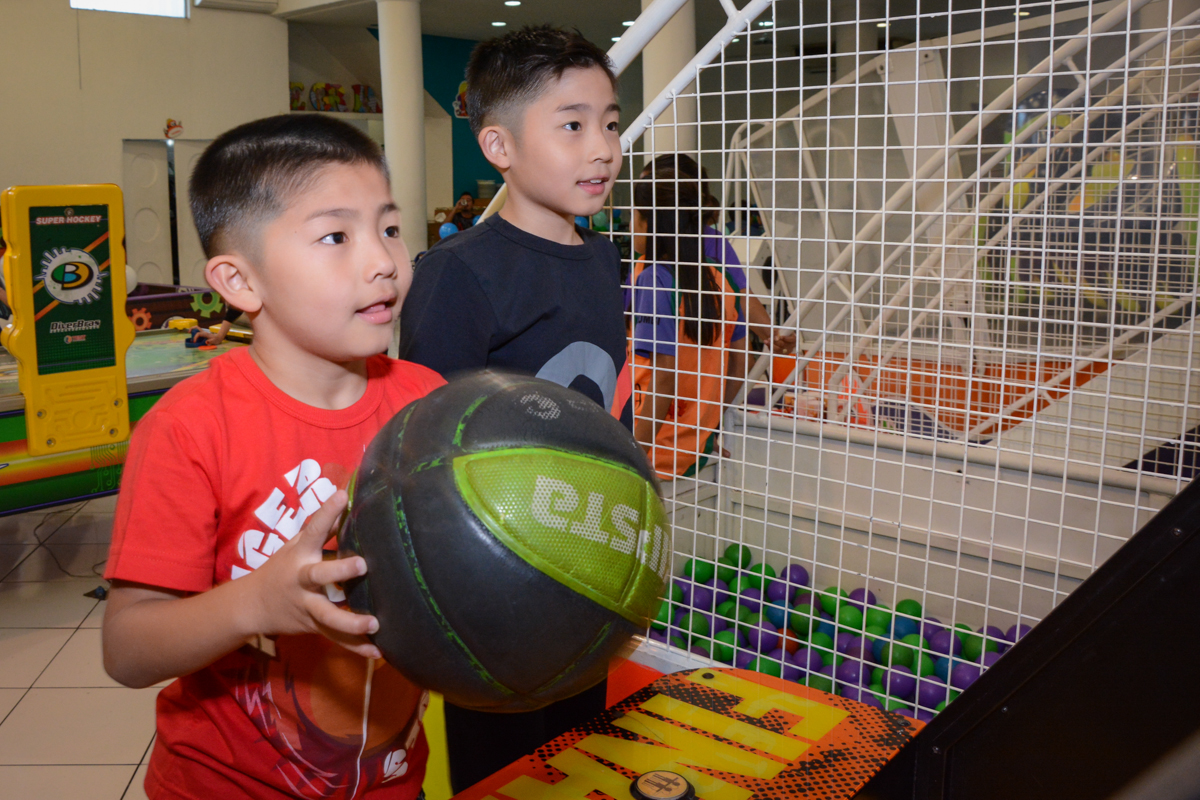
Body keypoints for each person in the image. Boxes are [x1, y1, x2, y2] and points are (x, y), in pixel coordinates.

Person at [101, 114, 445, 800]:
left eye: (389, 228)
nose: (383, 261)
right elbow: (128, 648)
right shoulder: (189, 430)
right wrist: (255, 603)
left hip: (394, 778)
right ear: (240, 282)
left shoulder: (428, 403)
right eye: (336, 236)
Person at [398, 25, 629, 793]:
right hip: (493, 582)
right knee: (504, 773)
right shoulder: (458, 275)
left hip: (586, 559)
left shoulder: (602, 258)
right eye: (571, 125)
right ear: (498, 146)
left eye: (610, 122)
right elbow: (420, 452)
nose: (601, 147)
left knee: (578, 756)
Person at [630, 168, 748, 478]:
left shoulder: (655, 280)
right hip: (694, 450)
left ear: (651, 223)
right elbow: (740, 361)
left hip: (652, 453)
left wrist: (633, 457)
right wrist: (706, 430)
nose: (632, 226)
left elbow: (663, 378)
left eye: (634, 216)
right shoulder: (721, 280)